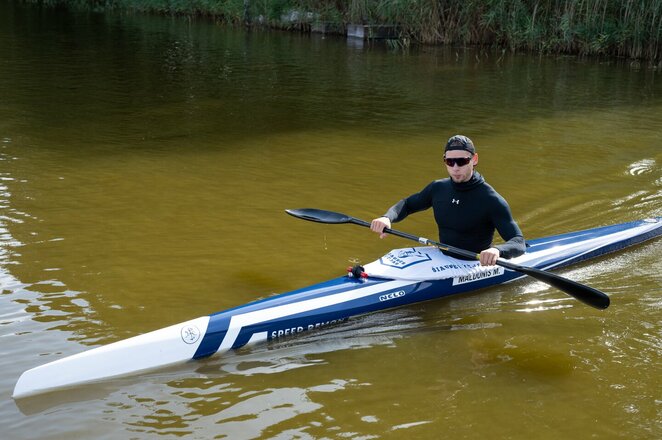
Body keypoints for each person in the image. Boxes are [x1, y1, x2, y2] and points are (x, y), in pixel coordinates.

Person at [370, 135, 525, 266]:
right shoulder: (438, 188)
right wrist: (386, 218)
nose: (455, 168)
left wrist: (496, 250)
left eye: (462, 161)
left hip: (474, 263)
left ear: (474, 159)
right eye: (450, 162)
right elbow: (408, 204)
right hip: (441, 257)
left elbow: (518, 242)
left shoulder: (491, 199)